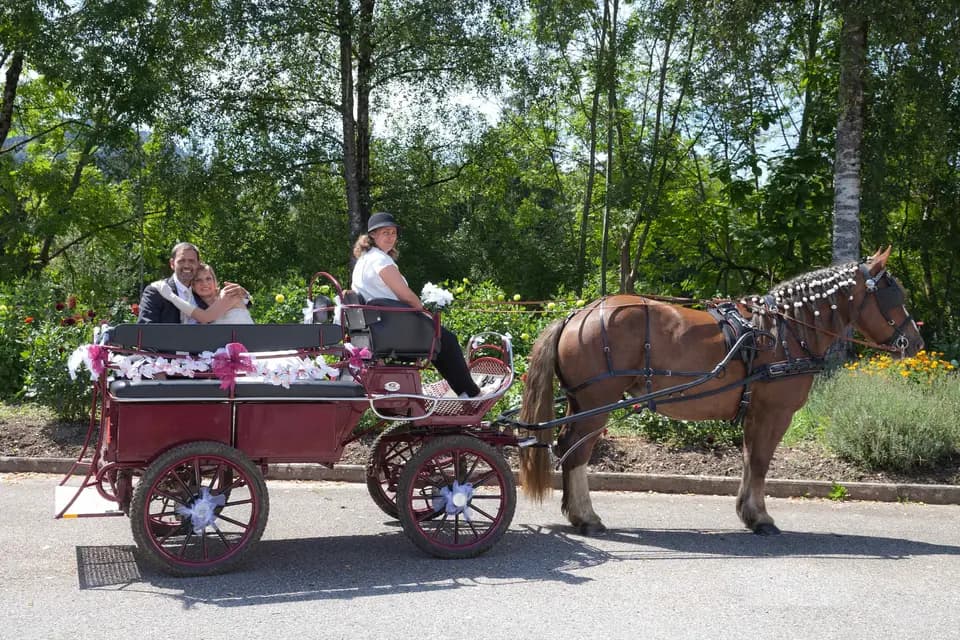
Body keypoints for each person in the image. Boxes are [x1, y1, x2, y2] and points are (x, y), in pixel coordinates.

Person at [351, 211, 484, 398]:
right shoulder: (379, 260)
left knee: (439, 342)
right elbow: (405, 296)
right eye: (385, 233)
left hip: (380, 327)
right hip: (391, 327)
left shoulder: (364, 260)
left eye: (393, 233)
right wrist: (424, 311)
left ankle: (461, 392)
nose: (391, 237)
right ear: (373, 235)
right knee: (447, 341)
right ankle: (471, 394)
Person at [137, 242, 247, 324]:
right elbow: (146, 330)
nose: (186, 265)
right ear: (172, 263)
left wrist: (245, 295)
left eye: (191, 261)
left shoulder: (200, 295)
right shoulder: (156, 291)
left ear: (198, 264)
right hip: (167, 354)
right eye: (181, 261)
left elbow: (212, 313)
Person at [155, 263, 254, 324]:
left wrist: (171, 296)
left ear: (215, 281)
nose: (205, 283)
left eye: (208, 278)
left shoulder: (228, 293)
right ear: (192, 285)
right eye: (198, 280)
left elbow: (205, 317)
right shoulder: (197, 307)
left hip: (247, 349)